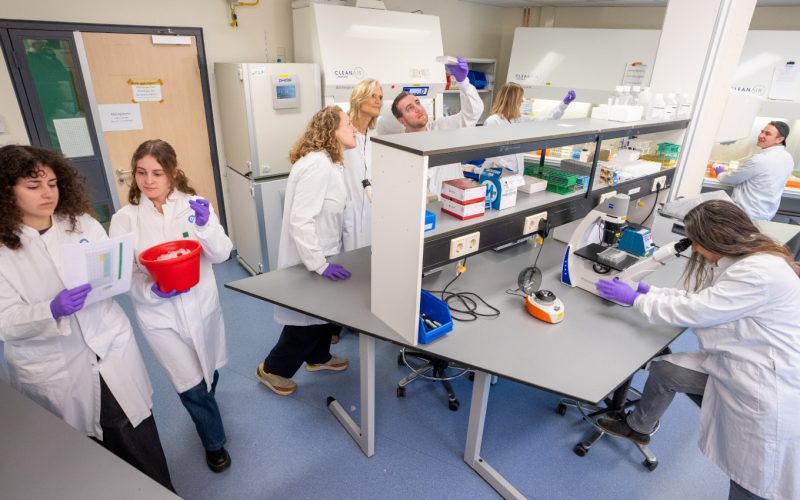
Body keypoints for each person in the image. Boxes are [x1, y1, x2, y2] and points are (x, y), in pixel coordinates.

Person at [594, 200, 800, 500]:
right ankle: (638, 426)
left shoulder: (757, 272)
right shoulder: (748, 258)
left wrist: (635, 300)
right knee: (666, 370)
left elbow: (698, 312)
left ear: (714, 238)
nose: (694, 250)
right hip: (737, 362)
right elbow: (704, 299)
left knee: (751, 484)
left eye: (696, 242)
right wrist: (652, 291)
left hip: (764, 387)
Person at [0, 145, 174, 491]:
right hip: (55, 366)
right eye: (33, 187)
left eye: (52, 182)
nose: (47, 193)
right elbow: (5, 321)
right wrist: (49, 310)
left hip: (109, 347)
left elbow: (113, 273)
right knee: (84, 459)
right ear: (6, 193)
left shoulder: (81, 223)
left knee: (138, 438)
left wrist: (143, 279)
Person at [109, 139, 233, 473]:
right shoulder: (125, 220)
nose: (148, 181)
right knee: (188, 384)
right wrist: (152, 291)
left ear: (173, 174)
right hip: (158, 315)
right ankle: (214, 442)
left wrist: (206, 225)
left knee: (208, 371)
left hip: (201, 307)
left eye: (157, 173)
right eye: (141, 172)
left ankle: (208, 400)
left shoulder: (195, 206)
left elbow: (221, 254)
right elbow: (125, 277)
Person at [256, 106, 356, 396]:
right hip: (309, 259)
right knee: (306, 322)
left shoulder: (332, 163)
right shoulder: (317, 165)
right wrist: (319, 264)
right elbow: (301, 219)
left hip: (325, 254)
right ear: (331, 130)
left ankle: (318, 358)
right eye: (347, 123)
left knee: (324, 313)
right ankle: (272, 369)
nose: (353, 128)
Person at [390, 56, 484, 198]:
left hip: (454, 205)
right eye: (410, 108)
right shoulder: (399, 149)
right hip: (422, 212)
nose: (418, 108)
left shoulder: (443, 127)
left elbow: (472, 113)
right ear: (402, 121)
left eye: (417, 103)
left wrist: (463, 82)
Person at [481, 82, 576, 175]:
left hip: (515, 175)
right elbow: (488, 152)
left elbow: (546, 121)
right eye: (520, 97)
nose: (522, 100)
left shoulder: (519, 120)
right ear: (511, 100)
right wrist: (506, 167)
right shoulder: (493, 121)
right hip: (497, 174)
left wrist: (563, 105)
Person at [714, 121, 794, 221]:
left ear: (779, 139)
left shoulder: (760, 160)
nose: (761, 135)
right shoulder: (788, 157)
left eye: (767, 134)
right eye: (762, 131)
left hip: (745, 214)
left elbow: (730, 179)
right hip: (766, 214)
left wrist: (720, 172)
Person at [342, 78, 383, 252]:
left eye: (380, 97)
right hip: (347, 209)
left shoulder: (375, 135)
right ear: (359, 99)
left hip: (371, 208)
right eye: (373, 96)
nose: (378, 101)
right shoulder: (342, 132)